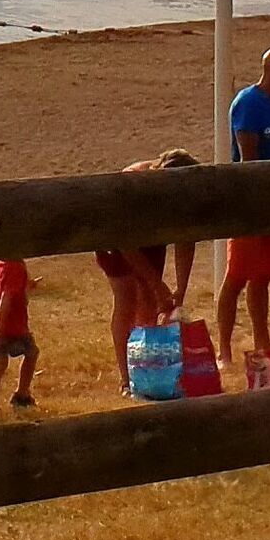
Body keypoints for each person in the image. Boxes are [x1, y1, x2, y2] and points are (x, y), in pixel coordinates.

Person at [218, 45, 270, 382]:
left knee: (263, 276)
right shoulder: (248, 103)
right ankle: (223, 347)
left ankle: (262, 341)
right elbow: (248, 158)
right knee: (237, 275)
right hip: (248, 203)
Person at [94, 150, 201, 389]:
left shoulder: (185, 195)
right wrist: (157, 283)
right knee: (127, 297)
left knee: (150, 304)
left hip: (152, 232)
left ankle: (149, 370)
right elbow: (124, 242)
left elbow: (186, 237)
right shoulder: (132, 186)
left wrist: (180, 290)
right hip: (117, 235)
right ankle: (126, 379)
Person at [0, 256, 38, 410]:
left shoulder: (1, 262)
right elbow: (6, 299)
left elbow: (7, 289)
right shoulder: (14, 266)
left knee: (2, 363)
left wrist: (26, 287)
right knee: (23, 355)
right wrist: (0, 329)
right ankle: (18, 396)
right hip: (8, 325)